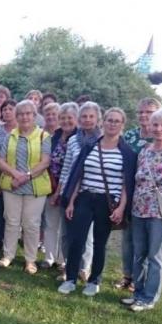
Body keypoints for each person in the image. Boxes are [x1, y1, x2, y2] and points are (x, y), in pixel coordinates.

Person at [59, 108, 137, 297]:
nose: (112, 124)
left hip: (107, 202)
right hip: (84, 197)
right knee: (76, 240)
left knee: (100, 243)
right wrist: (71, 202)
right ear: (103, 122)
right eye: (109, 120)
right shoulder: (90, 146)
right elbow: (79, 175)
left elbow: (126, 183)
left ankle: (94, 280)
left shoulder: (126, 152)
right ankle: (70, 278)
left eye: (117, 121)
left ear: (122, 125)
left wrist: (121, 207)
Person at [120, 108, 162, 312]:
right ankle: (138, 293)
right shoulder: (145, 151)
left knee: (155, 256)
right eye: (155, 125)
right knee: (138, 254)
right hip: (139, 210)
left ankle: (149, 297)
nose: (159, 129)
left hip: (160, 213)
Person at [115, 97, 162, 291]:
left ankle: (141, 279)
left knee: (147, 243)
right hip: (129, 194)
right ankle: (127, 276)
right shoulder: (129, 136)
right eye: (141, 112)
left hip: (153, 201)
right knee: (128, 240)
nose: (144, 116)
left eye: (149, 112)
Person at [0, 100, 51, 273]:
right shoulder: (10, 135)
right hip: (12, 185)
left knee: (32, 224)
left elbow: (45, 162)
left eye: (28, 113)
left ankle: (30, 260)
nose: (24, 116)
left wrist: (25, 177)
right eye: (21, 113)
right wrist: (15, 174)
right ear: (16, 116)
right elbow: (0, 160)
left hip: (34, 187)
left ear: (34, 116)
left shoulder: (43, 136)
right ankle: (8, 255)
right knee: (11, 221)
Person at [57, 101, 103, 282]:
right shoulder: (73, 140)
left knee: (88, 236)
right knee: (68, 234)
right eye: (84, 116)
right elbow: (67, 169)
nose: (88, 120)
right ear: (79, 119)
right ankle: (69, 267)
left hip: (91, 193)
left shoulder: (103, 140)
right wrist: (60, 192)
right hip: (70, 192)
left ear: (97, 118)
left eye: (91, 116)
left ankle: (84, 268)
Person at [42, 102, 79, 270]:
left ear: (76, 119)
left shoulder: (79, 138)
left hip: (71, 190)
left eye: (69, 118)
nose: (66, 121)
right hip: (51, 184)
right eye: (62, 118)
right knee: (50, 223)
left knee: (66, 227)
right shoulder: (55, 136)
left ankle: (62, 260)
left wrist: (61, 191)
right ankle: (49, 257)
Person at [0, 99, 17, 249]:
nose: (7, 112)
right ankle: (0, 240)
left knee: (13, 214)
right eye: (4, 109)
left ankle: (12, 242)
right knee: (0, 210)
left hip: (19, 178)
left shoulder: (24, 130)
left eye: (10, 109)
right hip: (0, 175)